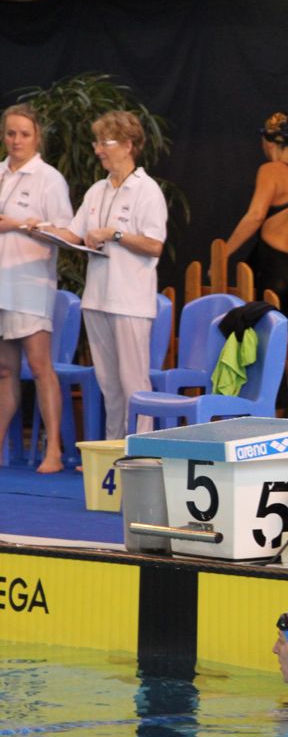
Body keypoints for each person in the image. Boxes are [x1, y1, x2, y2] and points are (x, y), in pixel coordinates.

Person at [47, 111, 167, 439]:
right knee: (108, 384)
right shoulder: (97, 189)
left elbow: (154, 244)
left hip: (130, 301)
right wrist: (38, 228)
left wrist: (115, 234)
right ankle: (113, 450)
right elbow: (74, 234)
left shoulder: (147, 190)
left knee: (133, 383)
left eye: (105, 142)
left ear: (128, 145)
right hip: (96, 299)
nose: (98, 150)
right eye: (96, 142)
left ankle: (141, 449)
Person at [0, 104, 73, 473]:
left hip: (31, 284)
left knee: (40, 365)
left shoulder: (49, 179)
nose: (17, 141)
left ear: (37, 138)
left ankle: (54, 450)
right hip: (1, 285)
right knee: (4, 369)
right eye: (11, 133)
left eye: (24, 134)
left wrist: (22, 225)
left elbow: (67, 233)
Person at [226, 111, 288, 318]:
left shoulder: (271, 170)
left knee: (267, 332)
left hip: (277, 268)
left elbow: (255, 216)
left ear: (269, 143)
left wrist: (224, 253)